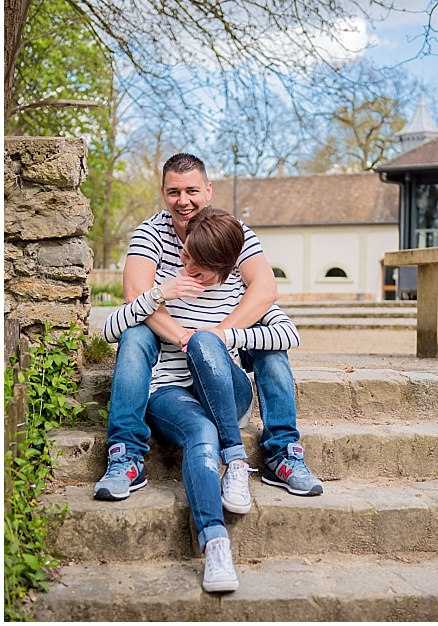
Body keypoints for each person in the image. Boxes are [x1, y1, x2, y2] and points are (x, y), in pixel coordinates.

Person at [94, 153, 322, 502]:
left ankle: (281, 451)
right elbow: (135, 297)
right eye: (173, 192)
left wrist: (217, 337)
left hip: (224, 370)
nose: (183, 201)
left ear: (209, 190)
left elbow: (265, 289)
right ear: (163, 192)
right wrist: (187, 336)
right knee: (135, 332)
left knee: (271, 345)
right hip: (172, 372)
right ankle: (125, 452)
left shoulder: (233, 234)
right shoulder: (150, 233)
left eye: (192, 191)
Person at [103, 207, 302, 592]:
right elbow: (112, 328)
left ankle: (247, 458)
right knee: (200, 435)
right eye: (185, 252)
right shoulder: (169, 283)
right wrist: (160, 293)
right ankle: (216, 541)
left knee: (207, 340)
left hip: (228, 393)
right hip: (172, 396)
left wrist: (223, 337)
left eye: (195, 260)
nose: (183, 260)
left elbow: (289, 336)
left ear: (222, 266)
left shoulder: (238, 294)